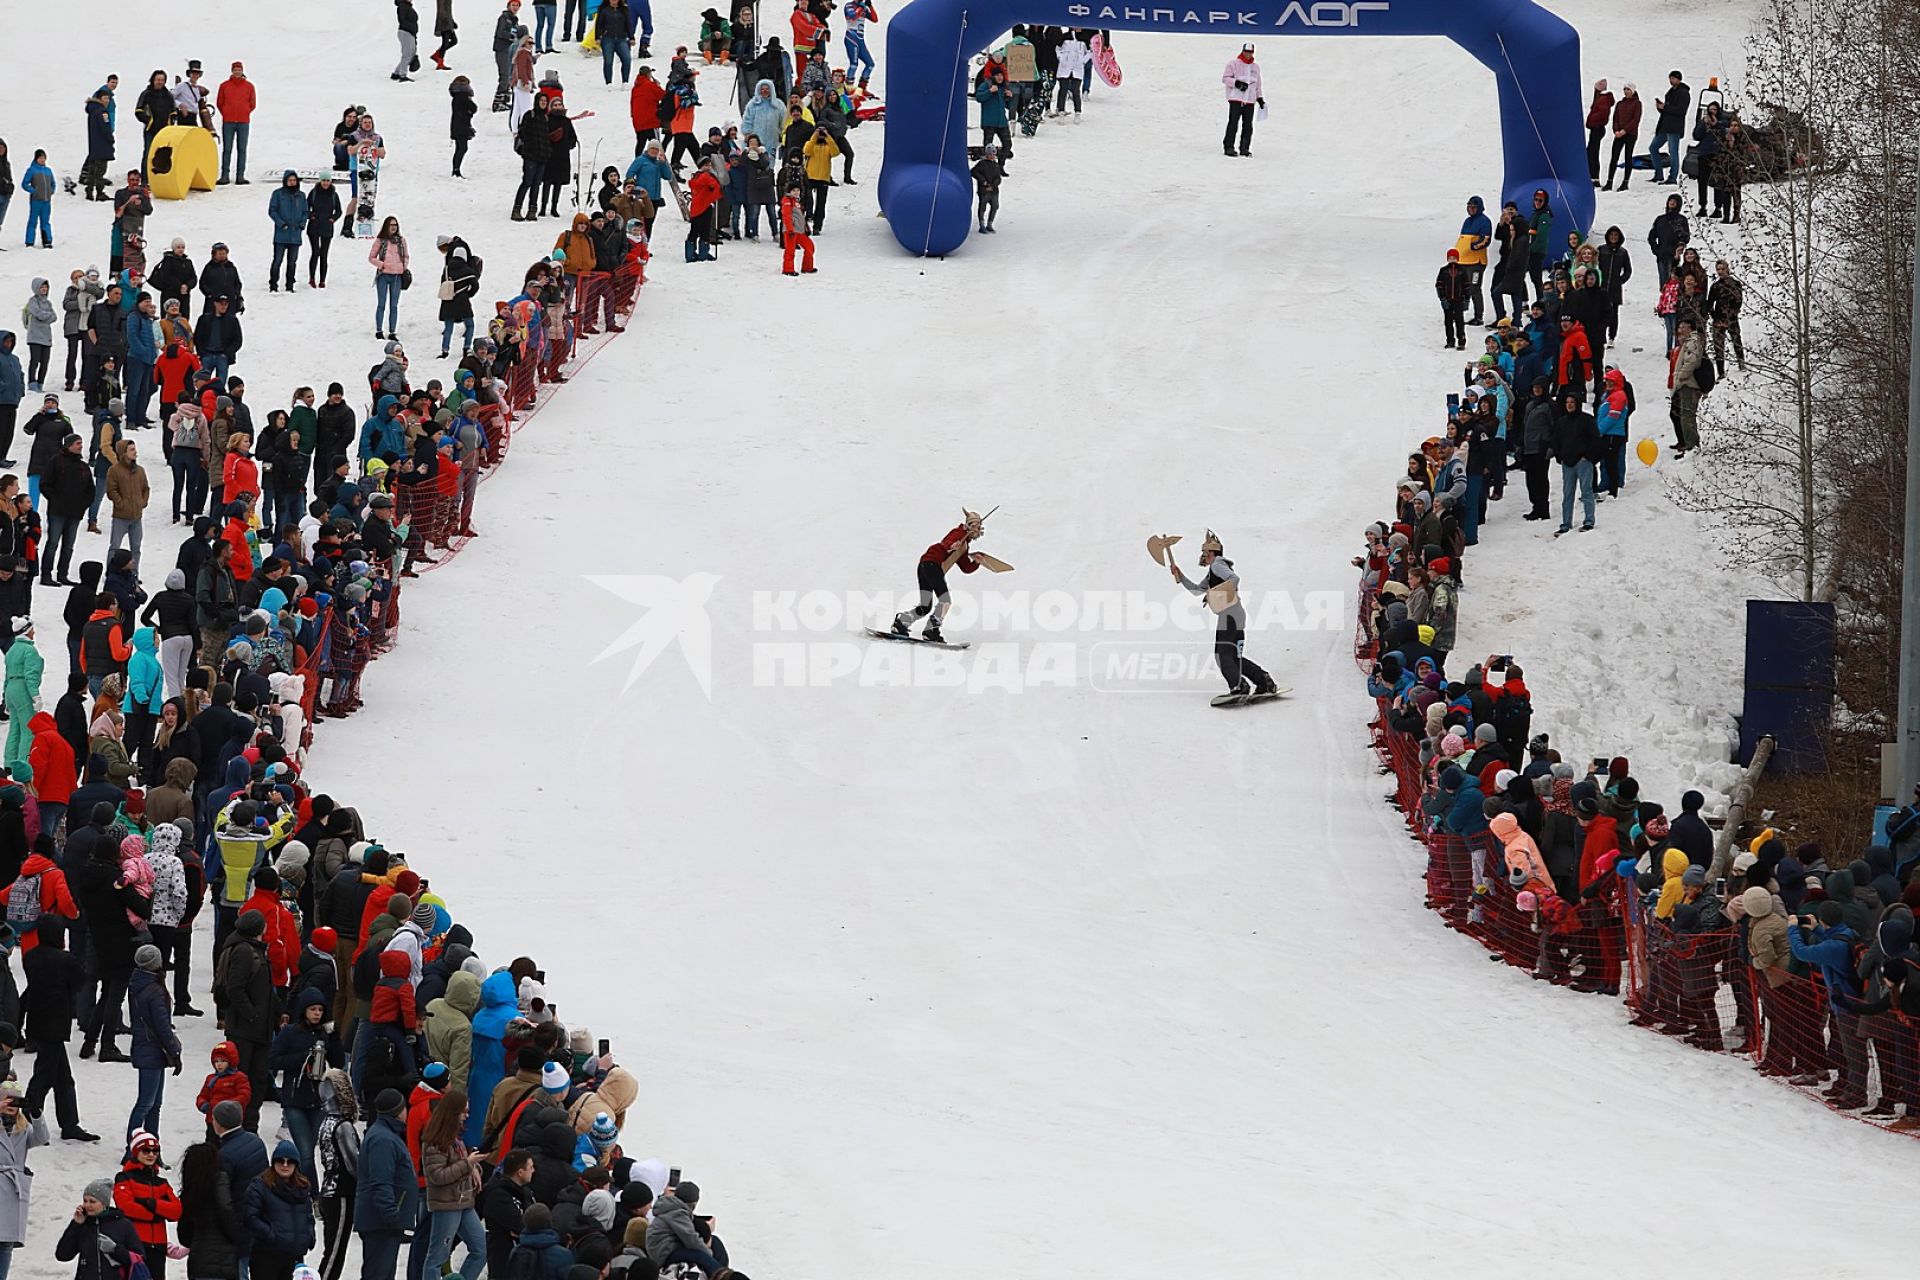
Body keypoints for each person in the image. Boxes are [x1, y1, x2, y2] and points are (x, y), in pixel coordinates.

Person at [1168, 529, 1278, 703]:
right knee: (1234, 656)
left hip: (1230, 614)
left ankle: (1238, 686)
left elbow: (1234, 580)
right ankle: (1264, 681)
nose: (1203, 556)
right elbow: (1198, 590)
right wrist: (1180, 576)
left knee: (1222, 654)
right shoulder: (1214, 570)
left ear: (1211, 552)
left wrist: (1215, 594)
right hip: (1236, 613)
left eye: (1204, 552)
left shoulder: (1217, 565)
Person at [421, 1091, 487, 1280]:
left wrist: (473, 1166)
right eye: (464, 1112)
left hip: (464, 1202)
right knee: (436, 1257)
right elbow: (437, 1176)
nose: (467, 1115)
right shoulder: (435, 1141)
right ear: (452, 1113)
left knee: (480, 1249)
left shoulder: (456, 1138)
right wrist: (468, 1164)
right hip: (446, 1205)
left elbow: (461, 1166)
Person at [357, 1088, 420, 1280]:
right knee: (378, 1275)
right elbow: (381, 1182)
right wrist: (392, 1217)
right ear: (398, 1111)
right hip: (381, 1223)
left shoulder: (387, 1135)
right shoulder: (382, 1139)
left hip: (384, 1221)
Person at [111, 1129, 180, 1278]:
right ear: (136, 1152)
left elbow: (176, 1211)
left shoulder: (162, 1182)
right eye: (146, 1150)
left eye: (155, 1151)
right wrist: (157, 1214)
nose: (151, 1154)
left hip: (159, 1246)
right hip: (134, 1244)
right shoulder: (124, 1177)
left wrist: (151, 1204)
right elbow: (126, 1207)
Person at [243, 1141, 317, 1280]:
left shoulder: (302, 1188)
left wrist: (309, 1237)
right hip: (266, 1256)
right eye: (280, 1161)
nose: (285, 1165)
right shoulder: (259, 1186)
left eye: (289, 1162)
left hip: (294, 1256)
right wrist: (272, 1236)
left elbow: (308, 1216)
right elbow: (250, 1217)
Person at [0, 1080, 48, 1280]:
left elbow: (42, 1138)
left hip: (12, 1190)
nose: (12, 1104)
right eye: (7, 1099)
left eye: (16, 1100)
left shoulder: (23, 1127)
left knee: (5, 1245)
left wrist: (36, 1114)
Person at [54, 1179, 144, 1280]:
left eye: (92, 1201)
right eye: (85, 1201)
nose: (87, 1205)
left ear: (104, 1203)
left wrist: (115, 1249)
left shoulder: (123, 1225)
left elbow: (139, 1260)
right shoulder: (83, 1225)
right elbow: (62, 1255)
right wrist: (76, 1224)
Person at [1550, 389, 1597, 536]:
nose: (1569, 405)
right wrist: (1560, 457)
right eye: (1567, 403)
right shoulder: (1561, 422)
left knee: (1586, 491)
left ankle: (1589, 521)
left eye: (1572, 402)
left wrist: (1588, 457)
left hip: (1583, 462)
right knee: (1567, 494)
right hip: (1567, 463)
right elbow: (1555, 441)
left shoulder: (1587, 420)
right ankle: (1566, 523)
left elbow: (1595, 440)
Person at [1668, 318, 1705, 458]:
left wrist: (1681, 376)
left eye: (1683, 326)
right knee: (1682, 415)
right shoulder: (1687, 342)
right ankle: (1688, 444)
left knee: (1687, 416)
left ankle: (1691, 446)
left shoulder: (1693, 342)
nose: (1680, 329)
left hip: (1689, 384)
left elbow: (1691, 362)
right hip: (1685, 383)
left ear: (1690, 327)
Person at [370, 217, 410, 342]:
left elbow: (406, 256)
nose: (393, 227)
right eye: (391, 225)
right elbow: (371, 257)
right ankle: (379, 330)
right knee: (381, 303)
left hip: (397, 275)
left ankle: (392, 331)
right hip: (383, 275)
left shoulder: (401, 241)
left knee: (394, 305)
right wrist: (381, 265)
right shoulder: (380, 241)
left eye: (395, 225)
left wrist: (403, 266)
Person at [216, 63, 256, 186]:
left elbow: (252, 103)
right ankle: (224, 176)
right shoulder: (224, 86)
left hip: (243, 121)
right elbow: (219, 102)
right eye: (235, 70)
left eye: (239, 70)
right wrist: (226, 113)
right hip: (228, 121)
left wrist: (245, 112)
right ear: (232, 71)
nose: (237, 72)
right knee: (227, 149)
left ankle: (240, 176)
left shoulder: (249, 86)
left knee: (242, 149)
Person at [1220, 43, 1262, 158]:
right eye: (1246, 52)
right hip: (1236, 98)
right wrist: (1237, 84)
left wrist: (1260, 98)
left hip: (1250, 100)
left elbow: (1257, 85)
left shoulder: (1255, 67)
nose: (1248, 54)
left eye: (1250, 52)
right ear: (1242, 51)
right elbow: (1225, 78)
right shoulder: (1233, 64)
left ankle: (1244, 148)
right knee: (1233, 123)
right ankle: (1229, 146)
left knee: (1248, 125)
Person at [1649, 69, 1690, 185]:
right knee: (1653, 147)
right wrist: (1661, 107)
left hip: (1674, 127)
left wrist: (1665, 108)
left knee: (1673, 152)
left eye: (1673, 78)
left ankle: (1672, 177)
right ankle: (1658, 174)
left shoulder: (1683, 93)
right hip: (1665, 126)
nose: (1671, 81)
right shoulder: (1671, 92)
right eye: (1670, 78)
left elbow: (1681, 110)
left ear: (1679, 79)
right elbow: (1669, 109)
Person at [1707, 259, 1745, 377]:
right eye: (1718, 269)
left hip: (1732, 318)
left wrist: (1731, 316)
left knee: (1736, 341)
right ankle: (1721, 372)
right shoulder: (1715, 286)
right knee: (1718, 346)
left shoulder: (1736, 284)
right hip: (1718, 319)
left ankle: (1741, 364)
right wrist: (1716, 318)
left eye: (1723, 269)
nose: (1720, 271)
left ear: (1728, 269)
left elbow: (1739, 302)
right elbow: (1710, 304)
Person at [1604, 83, 1641, 190]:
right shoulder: (1620, 103)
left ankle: (1625, 182)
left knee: (1628, 157)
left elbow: (1635, 120)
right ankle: (1609, 181)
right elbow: (1615, 118)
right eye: (1624, 89)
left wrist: (1625, 130)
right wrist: (1616, 130)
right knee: (1614, 157)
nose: (1626, 91)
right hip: (1619, 133)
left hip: (1630, 134)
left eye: (1628, 89)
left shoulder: (1637, 104)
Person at [1435, 249, 1470, 351]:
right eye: (1450, 258)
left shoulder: (1462, 270)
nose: (1452, 260)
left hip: (1459, 300)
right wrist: (1442, 298)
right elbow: (1439, 285)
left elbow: (1466, 285)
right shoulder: (1443, 271)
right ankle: (1450, 340)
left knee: (1460, 321)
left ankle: (1461, 340)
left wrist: (1467, 299)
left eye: (1454, 258)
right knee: (1448, 321)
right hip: (1447, 299)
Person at [974, 69, 1012, 161]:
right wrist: (990, 91)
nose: (1000, 77)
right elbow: (979, 97)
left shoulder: (1004, 87)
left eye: (1001, 75)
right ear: (993, 76)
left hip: (1002, 121)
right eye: (997, 75)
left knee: (1007, 144)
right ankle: (989, 166)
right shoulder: (985, 85)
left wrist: (1009, 97)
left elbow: (1008, 106)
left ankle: (1000, 166)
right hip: (989, 121)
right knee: (988, 146)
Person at [970, 144, 1005, 235]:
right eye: (990, 154)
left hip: (994, 190)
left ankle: (990, 224)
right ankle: (982, 224)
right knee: (982, 207)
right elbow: (974, 172)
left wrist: (993, 186)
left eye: (993, 154)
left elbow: (998, 178)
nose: (991, 156)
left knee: (995, 206)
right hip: (984, 190)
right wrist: (984, 182)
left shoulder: (996, 165)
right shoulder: (981, 164)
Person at [450, 77, 478, 178]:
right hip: (462, 125)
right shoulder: (463, 96)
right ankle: (456, 170)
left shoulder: (456, 96)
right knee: (462, 148)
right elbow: (473, 107)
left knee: (460, 148)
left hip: (457, 125)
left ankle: (456, 169)